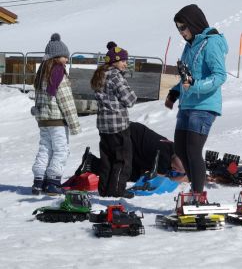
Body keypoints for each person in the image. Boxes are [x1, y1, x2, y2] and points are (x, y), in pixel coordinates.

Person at [165, 4, 228, 193]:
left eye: (183, 27)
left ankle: (198, 195)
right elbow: (187, 77)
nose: (181, 32)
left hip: (204, 105)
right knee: (181, 151)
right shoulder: (190, 46)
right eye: (178, 28)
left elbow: (220, 76)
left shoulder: (211, 42)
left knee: (193, 150)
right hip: (187, 105)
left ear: (193, 23)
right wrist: (175, 92)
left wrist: (195, 86)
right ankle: (195, 190)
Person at [32, 33, 81, 195]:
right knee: (61, 150)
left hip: (44, 120)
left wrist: (38, 112)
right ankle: (53, 182)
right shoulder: (58, 73)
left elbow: (38, 100)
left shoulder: (41, 74)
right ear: (56, 57)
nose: (67, 60)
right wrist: (74, 125)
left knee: (45, 148)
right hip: (57, 121)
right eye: (64, 57)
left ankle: (39, 180)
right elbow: (66, 102)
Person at [90, 41, 137, 198]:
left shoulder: (101, 74)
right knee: (122, 161)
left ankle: (104, 190)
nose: (125, 64)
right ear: (115, 61)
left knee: (107, 160)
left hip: (103, 126)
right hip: (118, 125)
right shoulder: (116, 76)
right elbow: (130, 99)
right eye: (123, 61)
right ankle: (116, 190)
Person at [76, 122, 187, 182]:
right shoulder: (164, 157)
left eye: (178, 171)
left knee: (133, 175)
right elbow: (159, 180)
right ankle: (91, 163)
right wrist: (179, 178)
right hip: (126, 136)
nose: (175, 169)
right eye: (177, 168)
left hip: (131, 134)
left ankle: (91, 162)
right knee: (123, 171)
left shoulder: (173, 147)